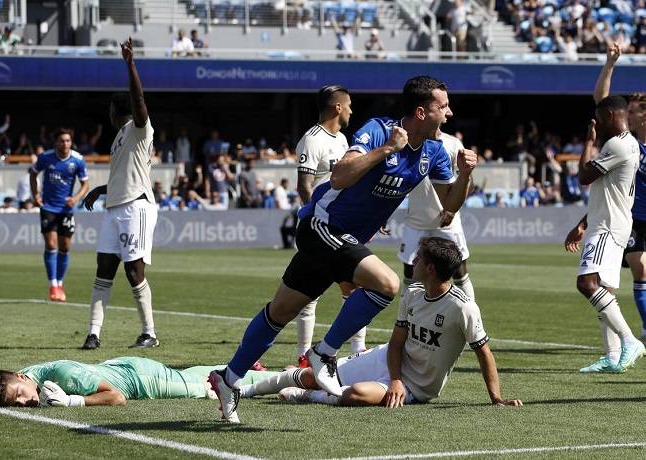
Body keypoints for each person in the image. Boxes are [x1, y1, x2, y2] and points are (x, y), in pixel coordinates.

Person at [208, 75, 477, 423]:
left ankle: (228, 379)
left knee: (280, 312)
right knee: (388, 285)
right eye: (444, 106)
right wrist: (387, 150)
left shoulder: (436, 152)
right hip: (322, 225)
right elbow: (339, 177)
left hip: (342, 239)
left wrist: (466, 175)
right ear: (422, 112)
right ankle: (325, 354)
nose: (450, 112)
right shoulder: (380, 130)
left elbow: (448, 211)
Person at [240, 238, 521, 409]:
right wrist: (395, 378)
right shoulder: (412, 294)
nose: (415, 261)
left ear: (431, 269)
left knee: (358, 395)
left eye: (420, 258)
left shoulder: (463, 307)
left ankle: (309, 397)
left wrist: (497, 398)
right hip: (388, 362)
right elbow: (397, 342)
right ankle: (245, 389)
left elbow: (484, 353)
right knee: (314, 375)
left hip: (418, 387)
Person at [81, 38, 160, 350]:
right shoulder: (119, 138)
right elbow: (124, 174)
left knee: (133, 269)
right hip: (114, 207)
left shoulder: (140, 129)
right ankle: (93, 333)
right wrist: (100, 190)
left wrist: (130, 65)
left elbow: (139, 101)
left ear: (116, 110)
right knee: (103, 270)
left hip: (135, 206)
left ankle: (149, 333)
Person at [564, 95, 645, 374]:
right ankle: (612, 357)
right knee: (603, 289)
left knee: (586, 283)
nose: (596, 122)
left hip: (608, 226)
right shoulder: (630, 144)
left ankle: (629, 340)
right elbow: (608, 191)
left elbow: (584, 177)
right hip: (610, 222)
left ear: (610, 114)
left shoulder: (617, 144)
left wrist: (588, 141)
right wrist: (583, 223)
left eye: (599, 117)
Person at [294, 85, 366, 367]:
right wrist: (318, 217)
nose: (351, 110)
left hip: (344, 225)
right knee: (308, 294)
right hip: (318, 227)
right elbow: (304, 186)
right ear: (337, 107)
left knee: (354, 286)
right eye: (348, 105)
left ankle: (358, 351)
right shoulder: (312, 140)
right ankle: (303, 354)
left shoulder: (343, 139)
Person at [594, 43, 646, 345]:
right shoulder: (628, 144)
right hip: (632, 217)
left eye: (636, 110)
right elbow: (601, 99)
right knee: (639, 267)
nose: (629, 114)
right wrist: (610, 64)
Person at [0, 357, 278, 408]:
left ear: (21, 378)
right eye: (14, 402)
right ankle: (244, 363)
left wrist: (74, 401)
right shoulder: (30, 375)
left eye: (19, 394)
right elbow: (4, 386)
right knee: (192, 375)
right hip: (122, 366)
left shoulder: (65, 376)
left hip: (142, 380)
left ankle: (283, 376)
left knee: (205, 387)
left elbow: (118, 398)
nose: (22, 401)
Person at [398, 129, 476, 303]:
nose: (446, 113)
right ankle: (406, 321)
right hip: (416, 220)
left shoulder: (453, 144)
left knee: (459, 271)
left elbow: (469, 181)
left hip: (447, 221)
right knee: (410, 275)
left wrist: (452, 210)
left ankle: (472, 320)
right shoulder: (407, 142)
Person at [29, 129, 89, 302]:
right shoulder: (46, 157)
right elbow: (33, 173)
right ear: (56, 142)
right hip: (48, 207)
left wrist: (76, 198)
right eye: (62, 141)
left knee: (65, 246)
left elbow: (85, 184)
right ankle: (53, 285)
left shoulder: (77, 160)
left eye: (68, 141)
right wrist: (36, 195)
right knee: (51, 243)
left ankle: (60, 283)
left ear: (71, 142)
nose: (65, 144)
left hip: (66, 209)